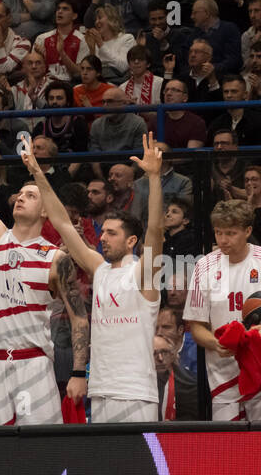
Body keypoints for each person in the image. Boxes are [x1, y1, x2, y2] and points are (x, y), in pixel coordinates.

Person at [0, 88, 89, 425]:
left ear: (45, 211)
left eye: (31, 195)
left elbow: (79, 318)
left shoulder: (55, 257)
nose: (21, 198)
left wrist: (79, 372)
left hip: (33, 362)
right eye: (20, 194)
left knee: (38, 453)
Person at [22, 132, 165, 422]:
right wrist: (37, 172)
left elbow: (156, 232)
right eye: (103, 232)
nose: (103, 238)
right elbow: (61, 221)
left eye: (112, 233)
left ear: (131, 241)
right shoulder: (99, 269)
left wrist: (152, 177)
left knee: (137, 468)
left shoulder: (143, 273)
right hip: (99, 390)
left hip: (136, 392)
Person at [186, 199, 261, 421]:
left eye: (230, 233)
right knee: (231, 452)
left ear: (248, 231)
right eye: (218, 232)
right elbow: (197, 325)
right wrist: (215, 343)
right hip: (223, 377)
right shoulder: (204, 267)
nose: (222, 240)